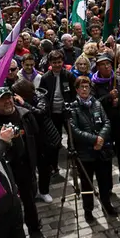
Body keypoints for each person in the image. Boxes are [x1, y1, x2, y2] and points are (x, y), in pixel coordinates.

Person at [0, 88, 49, 238]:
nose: (7, 101)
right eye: (2, 99)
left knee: (29, 201)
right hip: (3, 169)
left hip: (24, 166)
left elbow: (37, 138)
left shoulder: (25, 115)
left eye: (9, 97)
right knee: (5, 205)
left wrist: (38, 163)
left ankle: (35, 232)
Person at [69, 75, 117, 223]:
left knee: (104, 181)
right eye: (81, 87)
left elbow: (106, 122)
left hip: (101, 150)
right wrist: (94, 139)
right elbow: (74, 130)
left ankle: (106, 204)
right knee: (87, 183)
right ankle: (88, 210)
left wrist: (101, 137)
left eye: (87, 86)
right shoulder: (73, 107)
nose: (84, 89)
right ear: (76, 90)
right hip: (85, 153)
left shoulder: (96, 103)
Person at [91, 53, 120, 194]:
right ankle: (107, 187)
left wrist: (119, 100)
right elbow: (93, 104)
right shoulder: (94, 84)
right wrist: (109, 97)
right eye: (103, 64)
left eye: (109, 63)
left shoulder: (119, 80)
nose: (107, 66)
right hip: (104, 125)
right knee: (106, 157)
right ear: (98, 67)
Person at [39, 50, 76, 180]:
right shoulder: (45, 78)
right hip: (52, 114)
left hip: (66, 112)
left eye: (59, 62)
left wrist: (71, 105)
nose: (57, 65)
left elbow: (74, 92)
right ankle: (54, 166)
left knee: (73, 139)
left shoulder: (69, 75)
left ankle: (75, 164)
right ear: (50, 63)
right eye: (54, 62)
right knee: (54, 141)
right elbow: (42, 95)